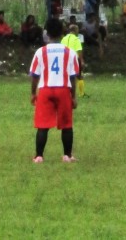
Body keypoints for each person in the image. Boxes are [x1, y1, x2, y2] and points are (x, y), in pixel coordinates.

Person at [29, 19, 80, 164]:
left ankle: (39, 156)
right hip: (63, 89)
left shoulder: (40, 52)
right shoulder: (69, 52)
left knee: (43, 125)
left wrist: (33, 93)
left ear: (47, 33)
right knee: (66, 124)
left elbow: (35, 75)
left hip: (45, 89)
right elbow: (72, 76)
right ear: (62, 33)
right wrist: (73, 96)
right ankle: (67, 156)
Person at [61, 24, 86, 98]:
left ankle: (66, 93)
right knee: (79, 76)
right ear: (75, 30)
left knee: (66, 76)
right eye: (77, 30)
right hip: (74, 59)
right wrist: (81, 61)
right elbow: (79, 50)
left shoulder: (64, 38)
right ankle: (81, 93)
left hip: (65, 59)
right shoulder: (76, 39)